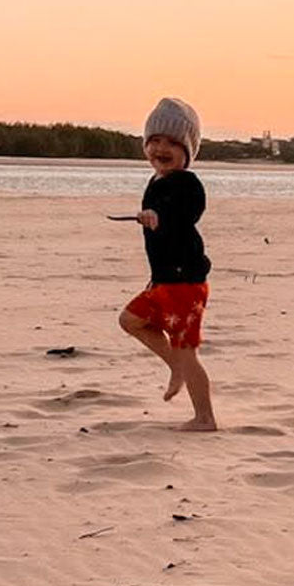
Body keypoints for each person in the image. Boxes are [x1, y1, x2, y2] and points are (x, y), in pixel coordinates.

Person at [119, 97, 217, 432]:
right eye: (155, 140)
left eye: (173, 143)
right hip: (164, 279)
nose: (162, 149)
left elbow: (186, 214)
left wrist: (158, 216)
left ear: (188, 152)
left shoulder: (187, 184)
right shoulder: (157, 181)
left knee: (186, 349)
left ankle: (205, 417)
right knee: (131, 320)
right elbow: (162, 243)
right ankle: (175, 365)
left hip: (185, 283)